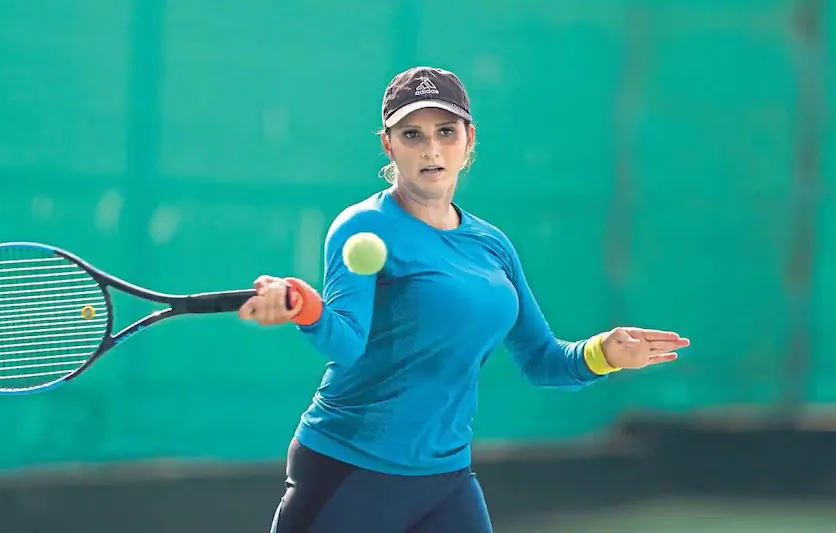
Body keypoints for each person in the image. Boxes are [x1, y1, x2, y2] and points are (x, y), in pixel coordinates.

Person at [238, 65, 691, 533]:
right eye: (412, 134)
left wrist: (605, 353)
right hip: (350, 469)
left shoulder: (492, 245)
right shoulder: (362, 229)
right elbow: (346, 342)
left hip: (445, 480)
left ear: (468, 140)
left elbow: (543, 359)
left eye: (446, 132)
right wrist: (306, 307)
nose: (431, 149)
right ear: (388, 145)